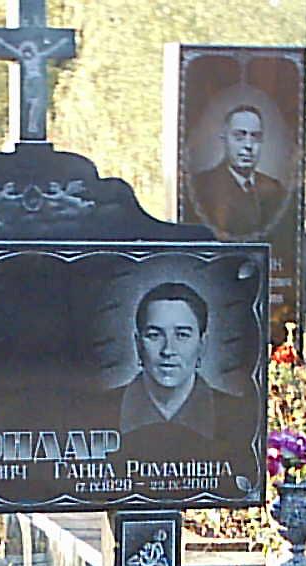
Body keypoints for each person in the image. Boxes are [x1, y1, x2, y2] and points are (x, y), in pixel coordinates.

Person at [108, 282, 239, 460]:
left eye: (182, 335)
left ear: (202, 344)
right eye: (154, 335)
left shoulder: (240, 414)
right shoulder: (98, 411)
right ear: (138, 344)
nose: (168, 350)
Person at [189, 104, 287, 238]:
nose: (248, 146)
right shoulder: (201, 186)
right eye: (239, 137)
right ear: (224, 138)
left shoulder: (276, 190)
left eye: (255, 137)